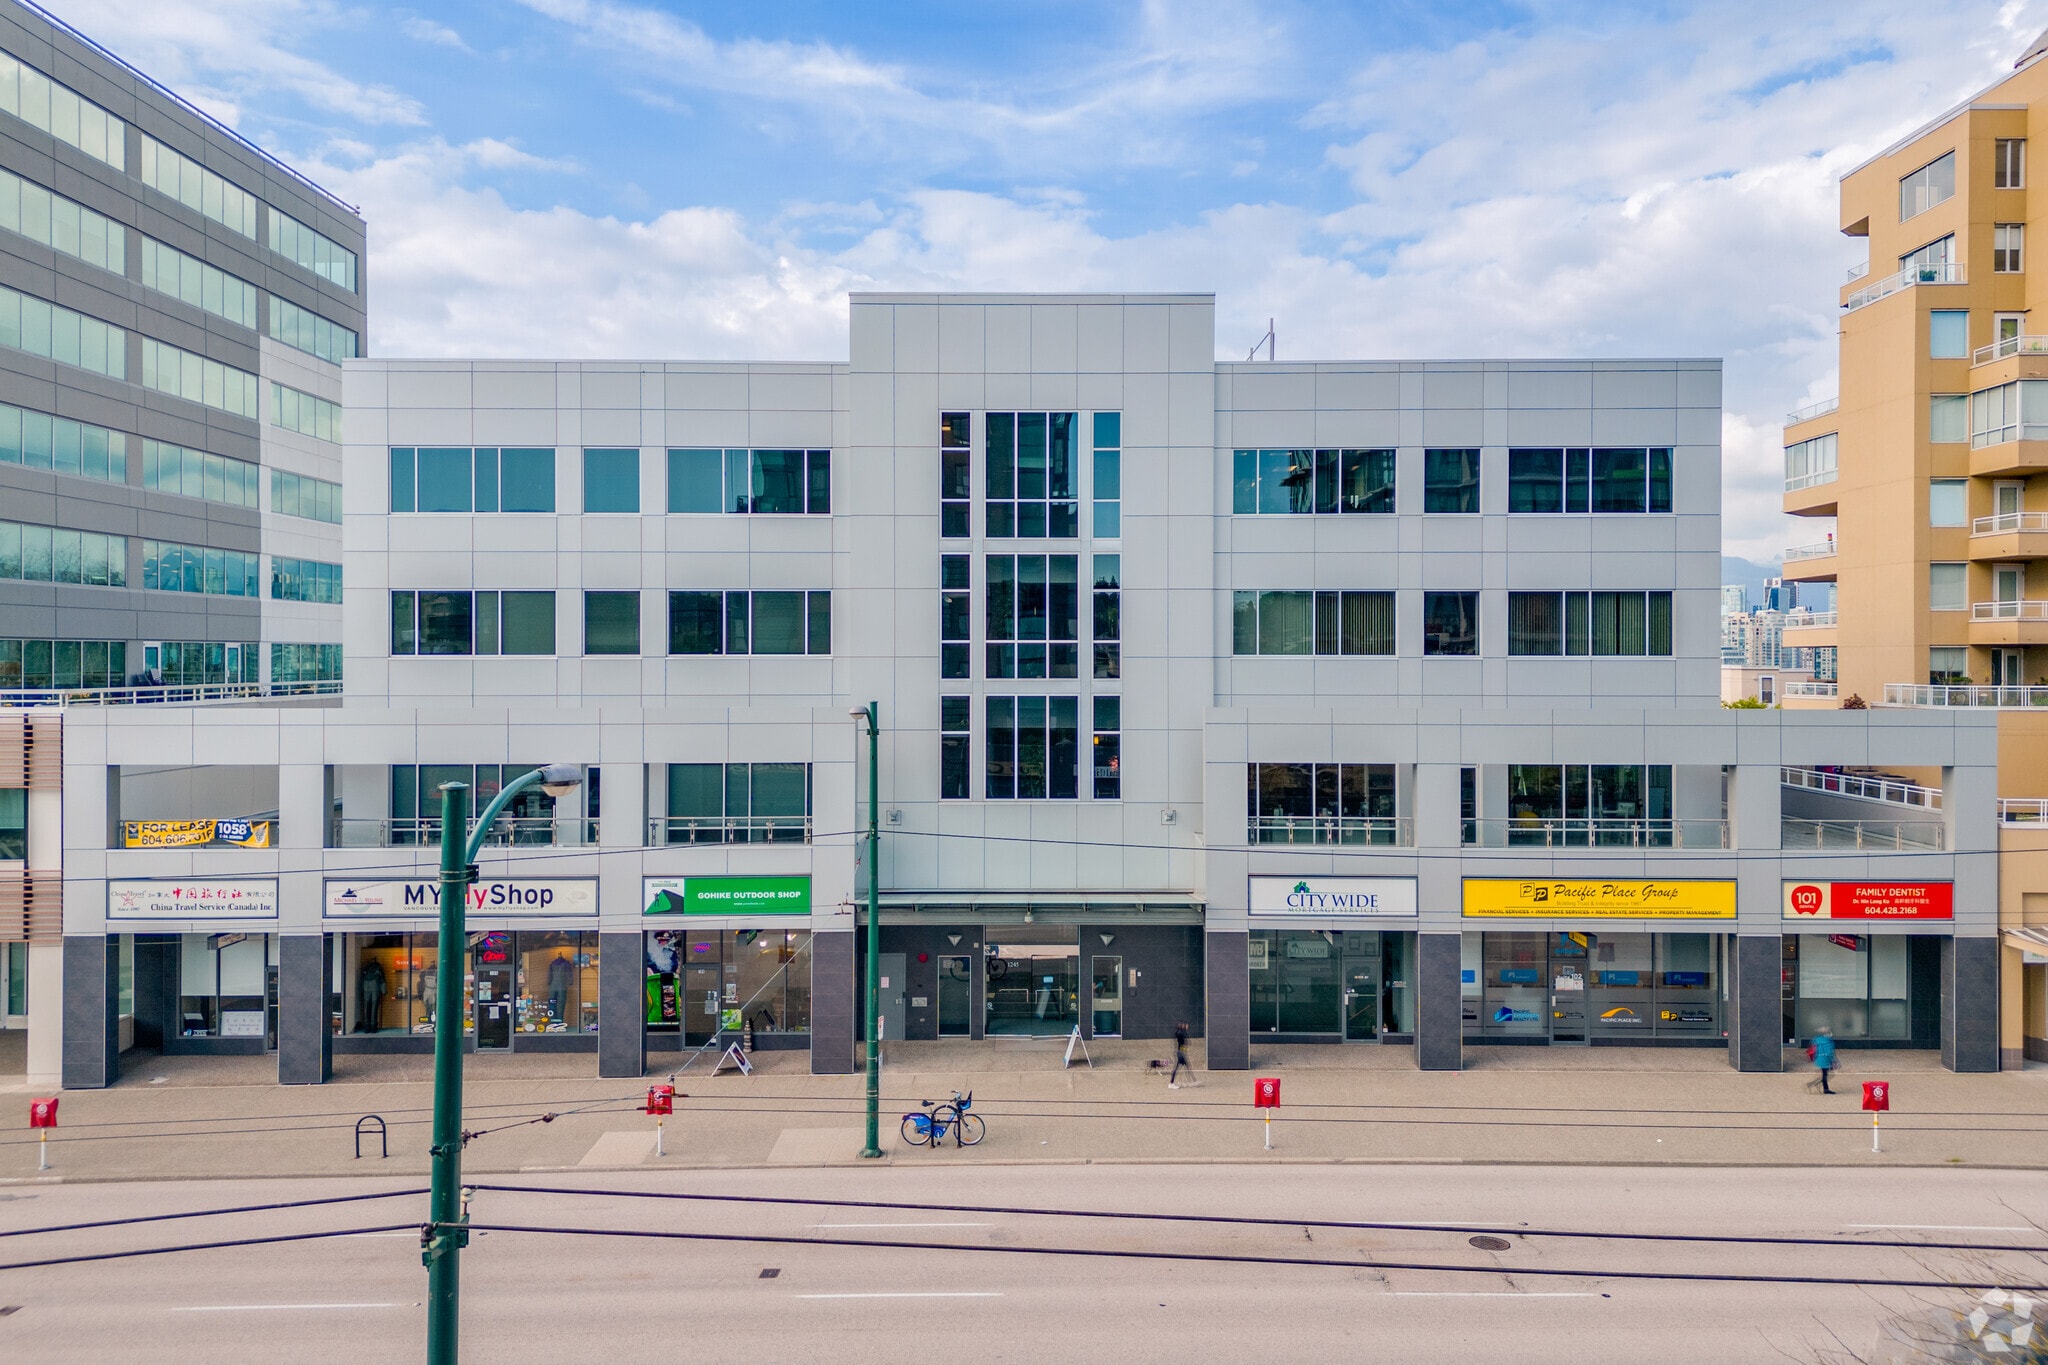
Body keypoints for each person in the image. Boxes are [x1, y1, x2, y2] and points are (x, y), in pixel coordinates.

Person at [1168, 1020, 1197, 1088]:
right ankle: (1172, 1083)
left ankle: (1192, 1081)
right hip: (1180, 1052)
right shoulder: (1181, 1033)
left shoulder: (1180, 1032)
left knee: (1186, 1066)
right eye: (1185, 1025)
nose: (1186, 1026)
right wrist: (1186, 1031)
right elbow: (1188, 1042)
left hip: (1181, 1052)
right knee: (1181, 1067)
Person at [1812, 1027, 1837, 1095]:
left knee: (1825, 1073)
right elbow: (1830, 1053)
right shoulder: (1828, 1041)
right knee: (1826, 1074)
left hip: (1819, 1058)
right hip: (1826, 1059)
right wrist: (1833, 1062)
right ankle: (1821, 1086)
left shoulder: (1817, 1039)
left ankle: (1824, 1087)